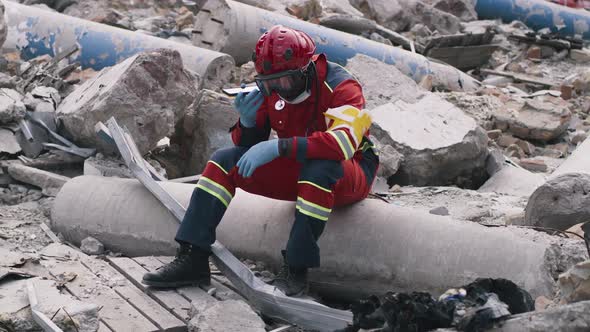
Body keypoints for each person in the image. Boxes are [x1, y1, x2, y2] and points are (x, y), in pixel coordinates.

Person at [142, 25, 379, 296]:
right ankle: (193, 256)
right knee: (224, 161)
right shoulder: (273, 89)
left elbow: (342, 144)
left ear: (305, 70)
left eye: (283, 81)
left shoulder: (341, 86)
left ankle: (296, 270)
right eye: (268, 83)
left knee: (319, 168)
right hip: (300, 167)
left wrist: (279, 146)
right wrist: (247, 121)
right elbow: (249, 147)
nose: (277, 89)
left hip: (350, 170)